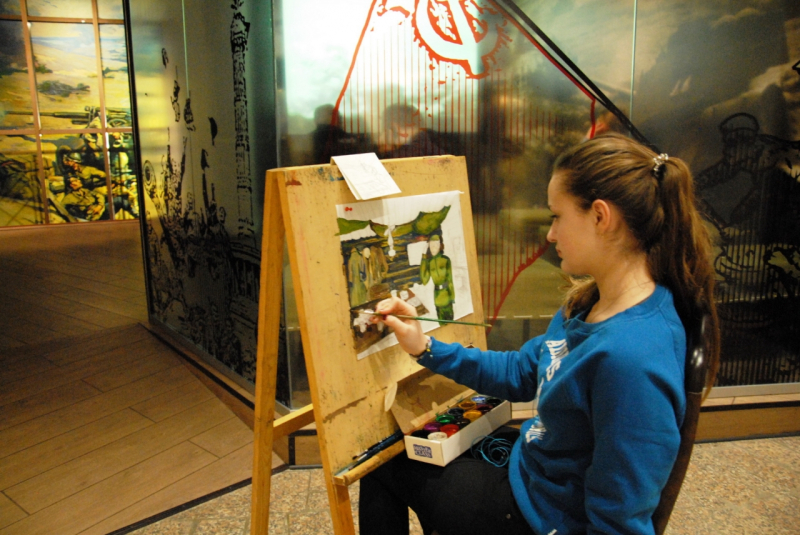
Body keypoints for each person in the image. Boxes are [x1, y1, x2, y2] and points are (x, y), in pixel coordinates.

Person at [359, 133, 720, 535]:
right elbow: (522, 371)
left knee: (379, 464)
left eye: (557, 216)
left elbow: (620, 519)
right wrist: (424, 346)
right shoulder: (592, 300)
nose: (550, 234)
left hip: (539, 517)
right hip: (533, 470)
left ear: (601, 217)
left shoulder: (630, 360)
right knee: (400, 452)